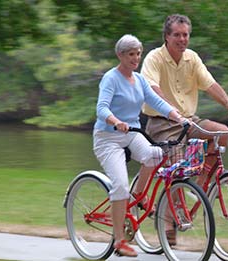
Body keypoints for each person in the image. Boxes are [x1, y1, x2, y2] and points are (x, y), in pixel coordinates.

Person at [93, 34, 185, 257]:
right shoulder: (111, 78)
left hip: (132, 133)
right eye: (131, 54)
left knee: (155, 155)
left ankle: (140, 194)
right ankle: (119, 240)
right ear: (120, 55)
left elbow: (157, 102)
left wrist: (179, 117)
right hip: (108, 137)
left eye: (138, 54)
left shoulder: (139, 79)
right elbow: (101, 109)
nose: (135, 58)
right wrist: (116, 121)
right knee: (120, 186)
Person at [140, 14, 228, 187]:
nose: (182, 39)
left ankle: (201, 186)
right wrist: (173, 111)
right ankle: (170, 212)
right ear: (167, 36)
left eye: (185, 35)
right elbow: (152, 89)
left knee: (222, 132)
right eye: (177, 35)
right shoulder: (154, 58)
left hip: (190, 121)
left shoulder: (192, 58)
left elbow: (210, 84)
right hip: (163, 124)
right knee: (178, 172)